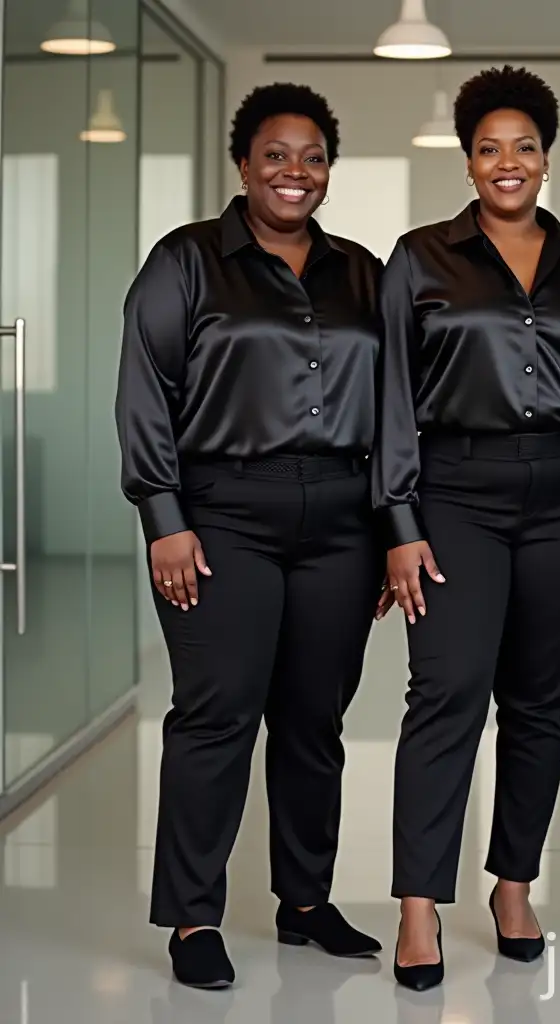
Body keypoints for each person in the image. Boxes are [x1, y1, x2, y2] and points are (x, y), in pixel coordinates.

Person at [115, 83, 389, 989]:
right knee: (215, 717)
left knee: (316, 722)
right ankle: (195, 918)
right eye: (276, 154)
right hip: (222, 515)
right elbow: (147, 390)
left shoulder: (362, 272)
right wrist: (165, 519)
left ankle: (305, 902)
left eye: (312, 157)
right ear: (243, 164)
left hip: (342, 524)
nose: (295, 172)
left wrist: (394, 529)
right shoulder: (186, 261)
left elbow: (396, 409)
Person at [373, 65, 560, 991]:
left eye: (524, 146)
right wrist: (399, 523)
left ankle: (511, 884)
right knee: (444, 695)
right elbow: (392, 400)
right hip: (455, 492)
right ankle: (416, 905)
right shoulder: (419, 257)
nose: (507, 162)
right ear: (468, 159)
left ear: (547, 159)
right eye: (489, 147)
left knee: (539, 702)